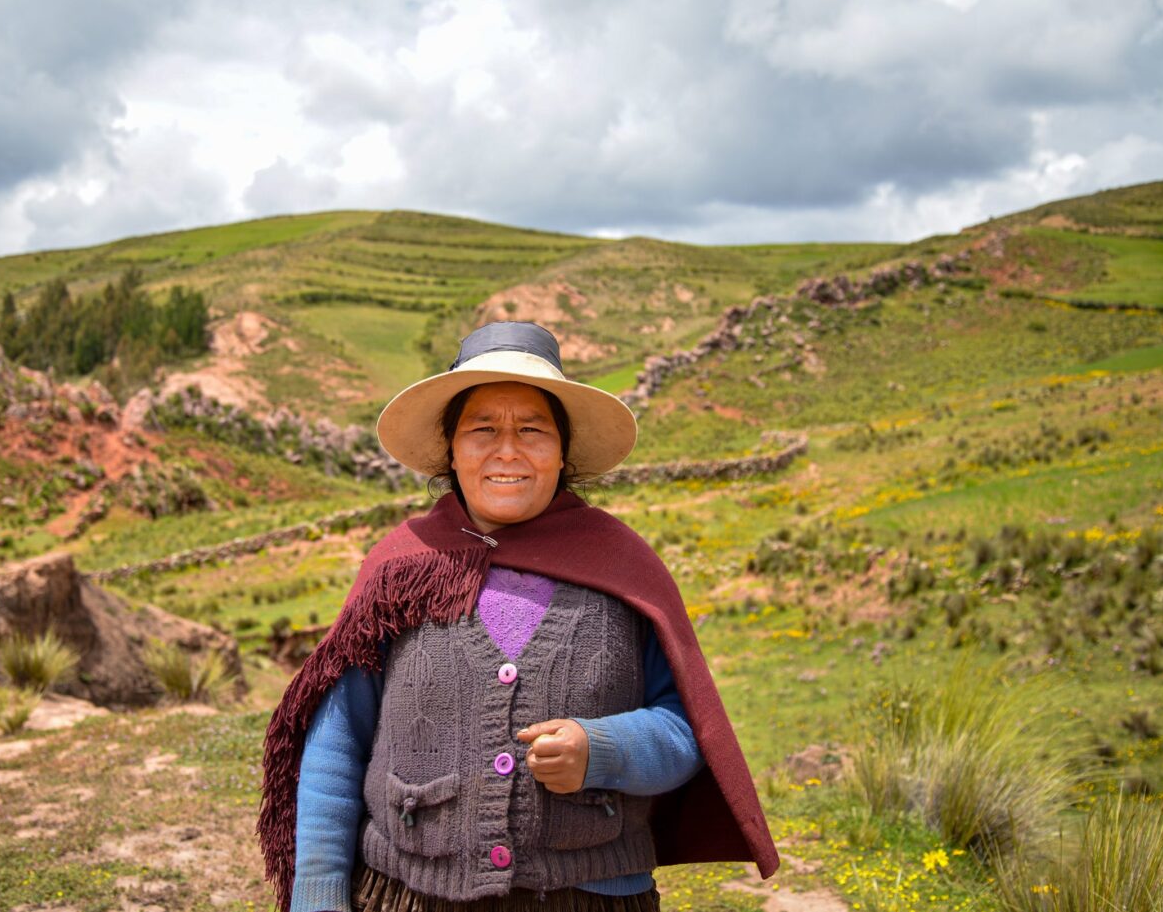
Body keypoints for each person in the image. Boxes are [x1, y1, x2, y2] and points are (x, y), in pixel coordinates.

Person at [258, 321, 777, 912]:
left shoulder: (623, 567)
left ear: (562, 454)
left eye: (532, 430)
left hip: (590, 897)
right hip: (410, 893)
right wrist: (319, 894)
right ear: (451, 450)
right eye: (482, 430)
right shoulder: (401, 571)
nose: (508, 450)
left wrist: (601, 748)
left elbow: (686, 733)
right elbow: (337, 744)